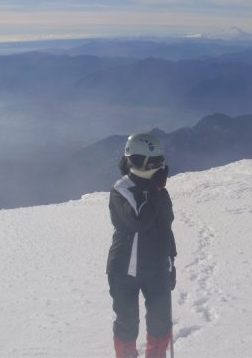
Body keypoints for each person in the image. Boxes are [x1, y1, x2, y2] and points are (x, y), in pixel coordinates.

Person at [107, 133, 177, 358]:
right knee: (127, 325)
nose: (159, 167)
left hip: (156, 269)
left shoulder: (158, 191)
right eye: (154, 162)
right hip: (124, 271)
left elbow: (165, 227)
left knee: (160, 324)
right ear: (137, 160)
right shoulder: (122, 189)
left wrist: (171, 261)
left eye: (160, 161)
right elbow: (141, 222)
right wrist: (154, 190)